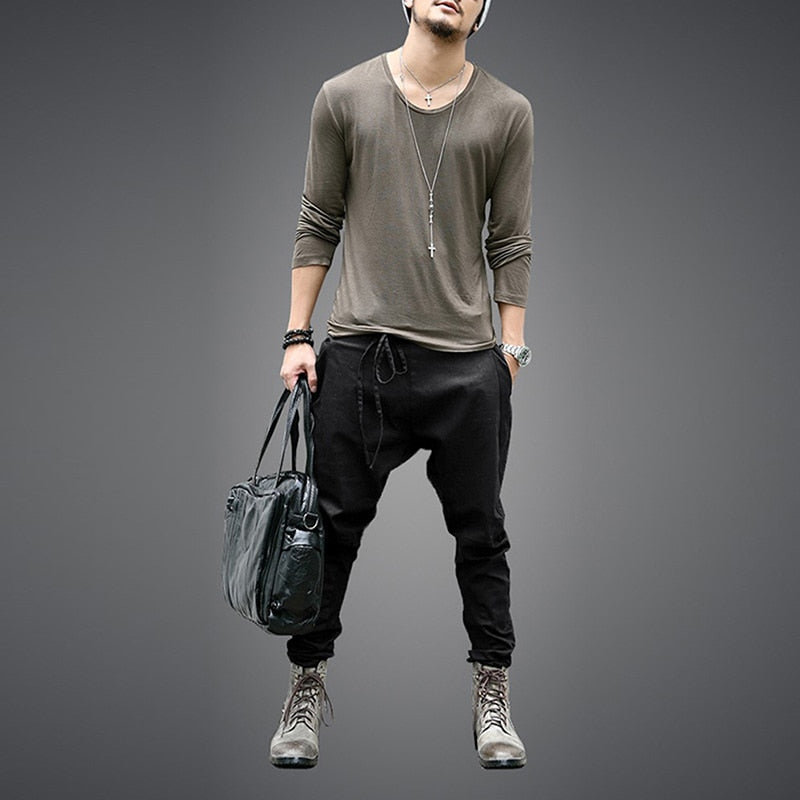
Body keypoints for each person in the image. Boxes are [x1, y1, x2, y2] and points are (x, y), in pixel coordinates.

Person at [270, 0, 534, 770]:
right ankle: (306, 686)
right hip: (361, 354)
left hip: (467, 364)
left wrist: (511, 351)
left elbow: (511, 237)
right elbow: (317, 217)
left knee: (482, 534)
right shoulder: (343, 96)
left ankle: (493, 695)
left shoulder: (509, 112)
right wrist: (296, 335)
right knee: (328, 529)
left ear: (484, 11)